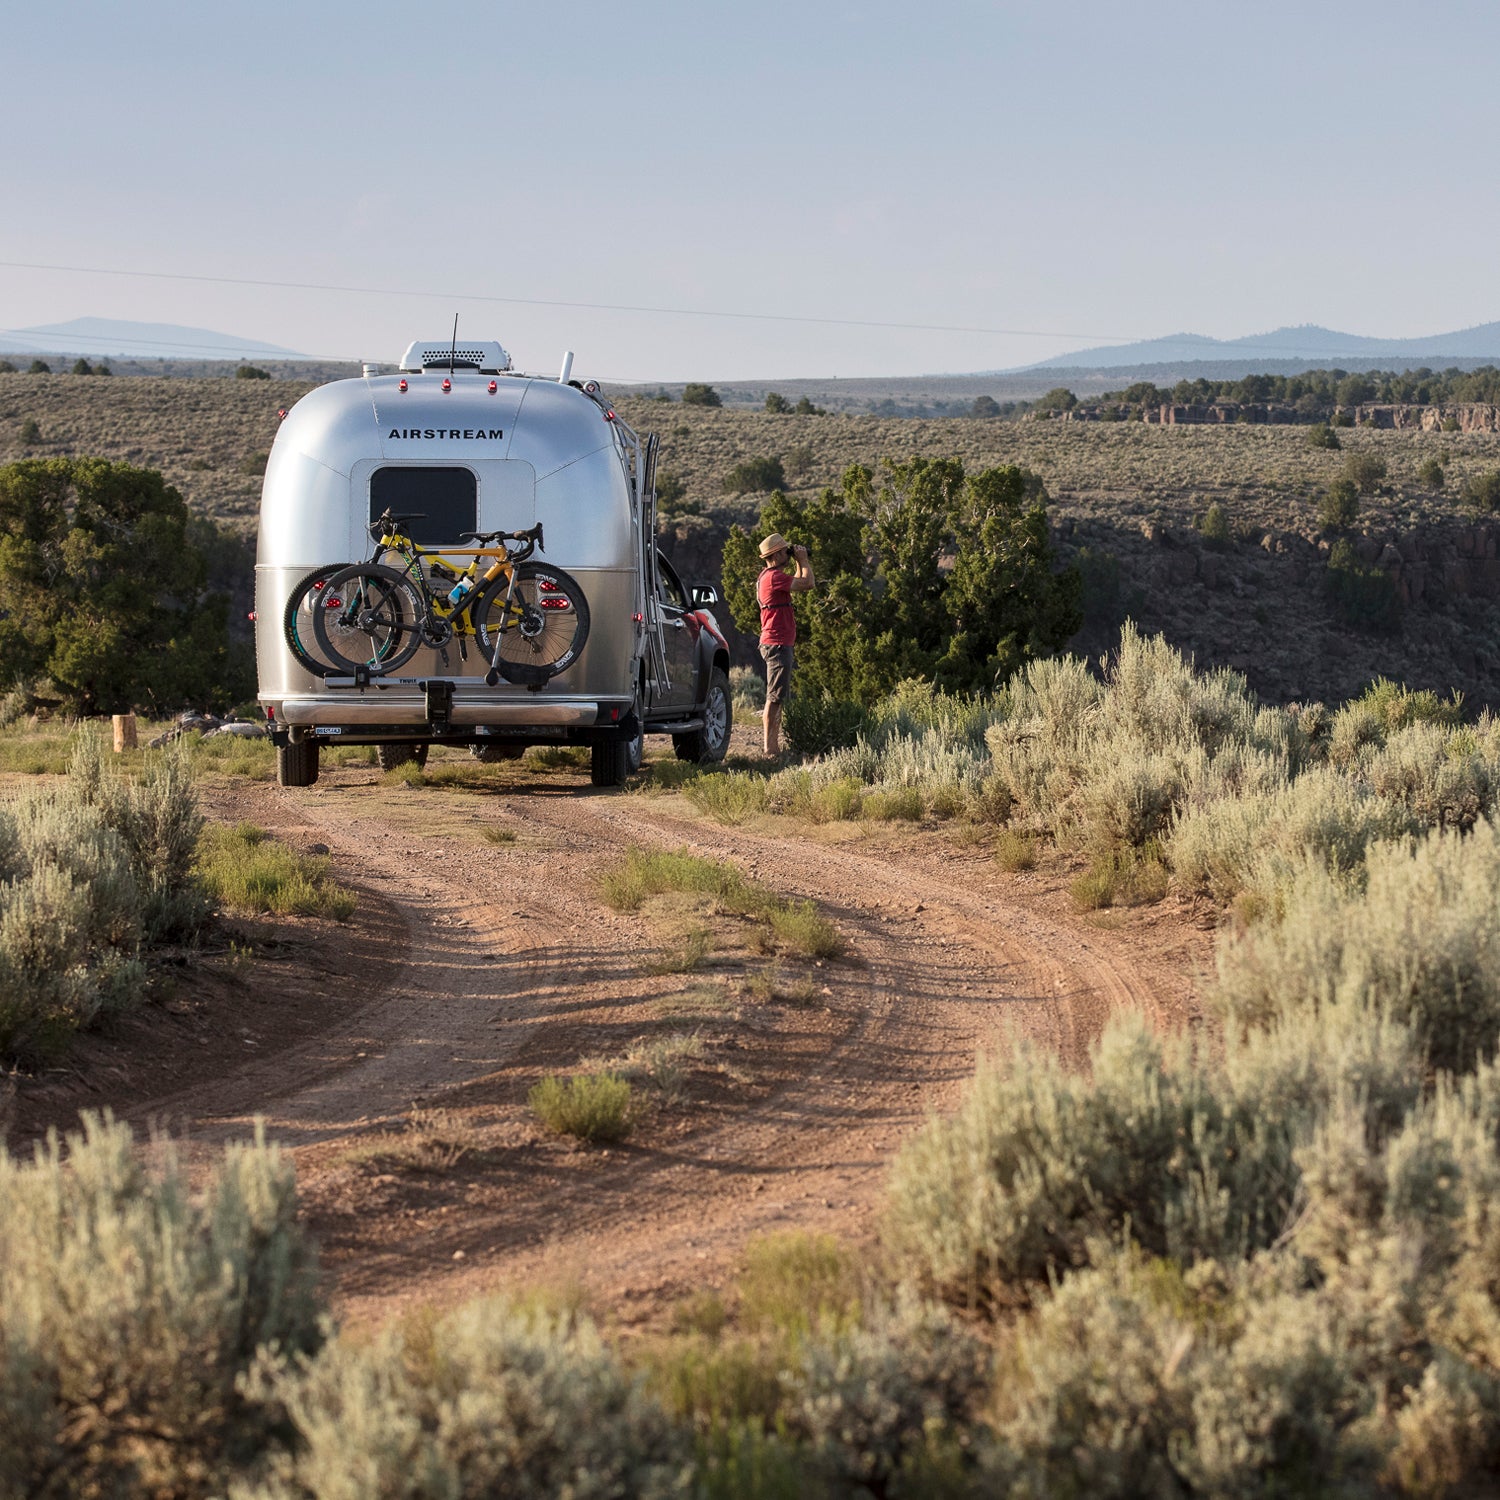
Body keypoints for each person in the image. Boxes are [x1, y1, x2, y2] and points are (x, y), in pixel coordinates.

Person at [756, 531, 814, 756]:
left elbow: (798, 583)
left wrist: (799, 563)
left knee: (775, 696)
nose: (787, 554)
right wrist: (804, 560)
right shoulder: (774, 577)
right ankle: (771, 749)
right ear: (777, 554)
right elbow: (808, 584)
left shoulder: (767, 576)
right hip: (778, 643)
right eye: (785, 551)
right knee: (775, 698)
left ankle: (771, 747)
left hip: (775, 642)